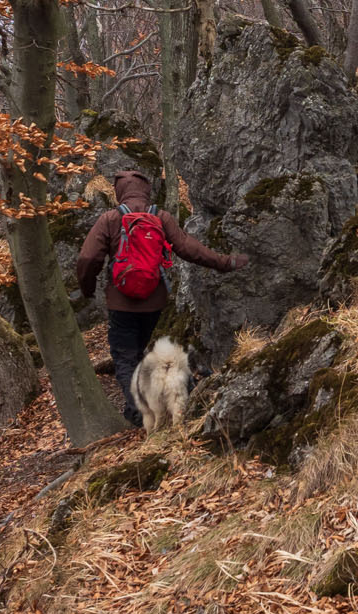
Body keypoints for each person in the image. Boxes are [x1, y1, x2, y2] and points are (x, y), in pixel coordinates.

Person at [75, 171, 245, 427]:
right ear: (146, 190)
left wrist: (87, 289)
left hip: (121, 303)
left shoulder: (110, 219)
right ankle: (170, 398)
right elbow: (188, 248)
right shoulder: (160, 216)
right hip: (155, 301)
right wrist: (224, 262)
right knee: (149, 349)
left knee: (125, 356)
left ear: (120, 191)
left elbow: (88, 258)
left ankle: (137, 411)